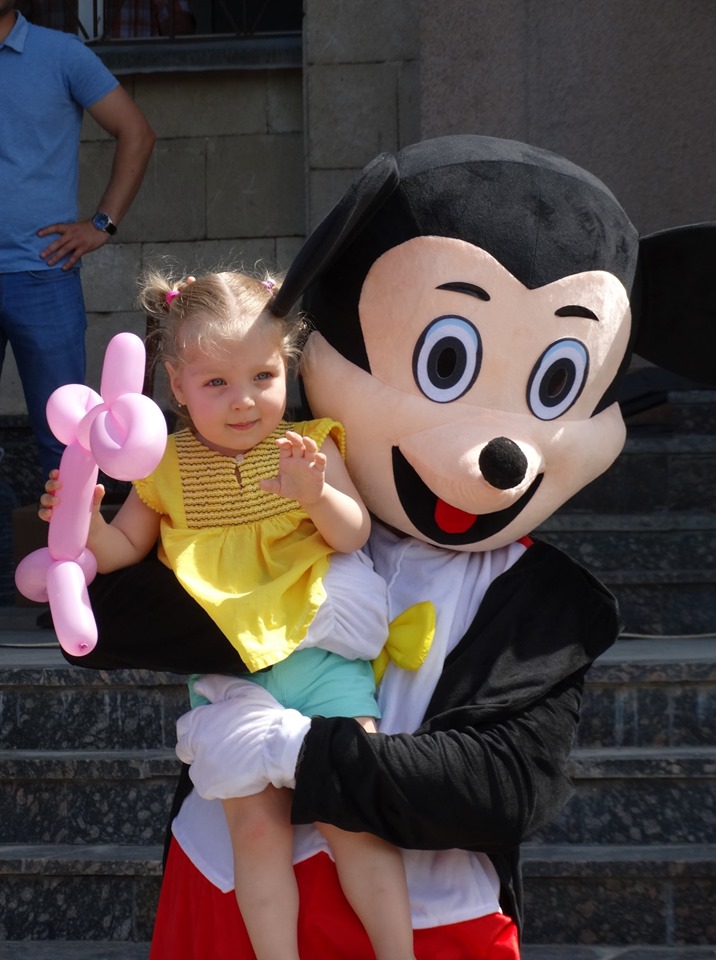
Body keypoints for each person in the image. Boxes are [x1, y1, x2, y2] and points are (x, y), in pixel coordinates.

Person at [40, 268, 417, 960]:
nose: (244, 401)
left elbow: (354, 536)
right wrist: (84, 517)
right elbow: (122, 551)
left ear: (287, 368)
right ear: (177, 386)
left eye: (263, 377)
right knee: (257, 830)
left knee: (356, 816)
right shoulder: (162, 468)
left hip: (323, 664)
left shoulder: (309, 446)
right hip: (232, 679)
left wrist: (315, 495)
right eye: (216, 382)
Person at [0, 0, 155, 478]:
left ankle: (73, 529)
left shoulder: (61, 53)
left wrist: (102, 223)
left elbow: (136, 132)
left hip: (42, 275)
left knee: (64, 438)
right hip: (42, 276)